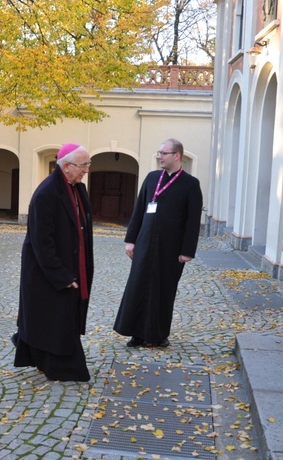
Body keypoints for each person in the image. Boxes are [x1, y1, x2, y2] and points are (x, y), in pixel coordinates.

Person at [12, 143, 94, 382]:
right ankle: (62, 367)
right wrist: (62, 276)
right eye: (83, 165)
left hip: (70, 265)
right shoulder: (46, 193)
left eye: (88, 164)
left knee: (55, 318)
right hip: (47, 272)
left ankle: (43, 359)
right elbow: (41, 242)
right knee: (53, 318)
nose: (86, 170)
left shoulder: (78, 188)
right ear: (66, 166)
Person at [113, 139, 203, 348]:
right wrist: (130, 240)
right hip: (145, 243)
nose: (159, 156)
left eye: (164, 153)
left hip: (170, 248)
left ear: (177, 155)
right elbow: (139, 210)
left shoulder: (191, 184)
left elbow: (192, 221)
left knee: (163, 289)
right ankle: (136, 333)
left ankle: (158, 334)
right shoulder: (152, 178)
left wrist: (187, 251)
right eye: (159, 153)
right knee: (138, 286)